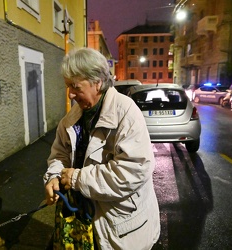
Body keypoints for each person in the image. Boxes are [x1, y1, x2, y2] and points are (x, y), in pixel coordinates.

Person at [44, 48, 160, 250]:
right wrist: (53, 176)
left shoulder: (126, 112)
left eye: (75, 87)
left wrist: (77, 179)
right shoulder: (71, 118)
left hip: (120, 227)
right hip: (83, 223)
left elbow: (132, 171)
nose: (70, 94)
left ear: (97, 82)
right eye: (67, 86)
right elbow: (60, 154)